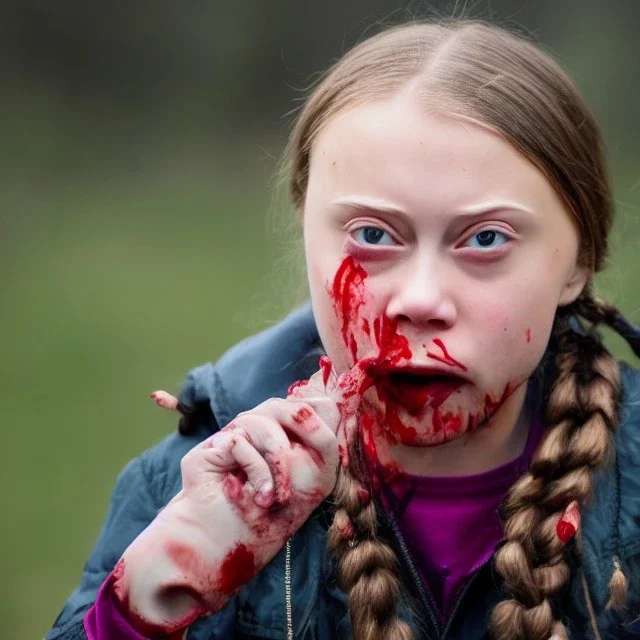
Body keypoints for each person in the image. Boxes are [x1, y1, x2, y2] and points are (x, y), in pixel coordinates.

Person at [45, 19, 640, 640]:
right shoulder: (186, 489)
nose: (419, 301)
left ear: (577, 263)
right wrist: (146, 604)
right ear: (308, 235)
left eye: (486, 239)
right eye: (373, 235)